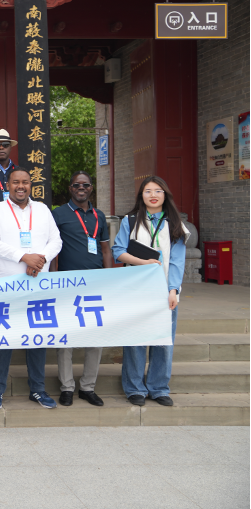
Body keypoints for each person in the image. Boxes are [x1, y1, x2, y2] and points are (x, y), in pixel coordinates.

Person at [0, 168, 62, 410]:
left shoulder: (42, 210)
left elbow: (56, 240)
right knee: (3, 338)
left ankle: (37, 389)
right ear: (7, 185)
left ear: (31, 185)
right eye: (16, 182)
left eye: (25, 182)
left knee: (37, 339)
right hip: (6, 285)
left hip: (37, 284)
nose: (20, 186)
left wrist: (40, 260)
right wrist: (24, 257)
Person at [112, 175, 188, 407]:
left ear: (165, 195)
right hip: (135, 291)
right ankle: (134, 387)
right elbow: (117, 251)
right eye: (148, 191)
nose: (153, 195)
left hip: (164, 292)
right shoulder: (130, 220)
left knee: (163, 341)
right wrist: (142, 262)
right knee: (135, 340)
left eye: (158, 191)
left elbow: (177, 260)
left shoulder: (174, 224)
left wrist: (173, 290)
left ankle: (159, 388)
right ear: (141, 196)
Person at [50, 172, 113, 407]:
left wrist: (108, 280)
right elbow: (54, 251)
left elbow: (106, 250)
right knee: (66, 337)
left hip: (95, 283)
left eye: (85, 185)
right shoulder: (59, 214)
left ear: (91, 188)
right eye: (76, 185)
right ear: (70, 188)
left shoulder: (99, 215)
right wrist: (54, 280)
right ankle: (67, 386)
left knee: (95, 338)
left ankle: (88, 387)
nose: (81, 188)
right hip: (67, 284)